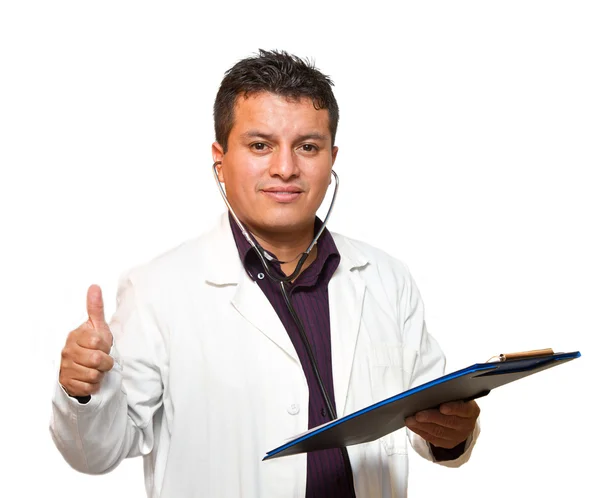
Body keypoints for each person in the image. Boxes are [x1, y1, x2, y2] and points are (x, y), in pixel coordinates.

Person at [50, 49, 480, 498]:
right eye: (260, 145)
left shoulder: (387, 279)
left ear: (332, 158)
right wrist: (82, 391)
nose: (285, 168)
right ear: (220, 158)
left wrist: (452, 433)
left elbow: (431, 423)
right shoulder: (157, 290)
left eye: (307, 147)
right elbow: (98, 452)